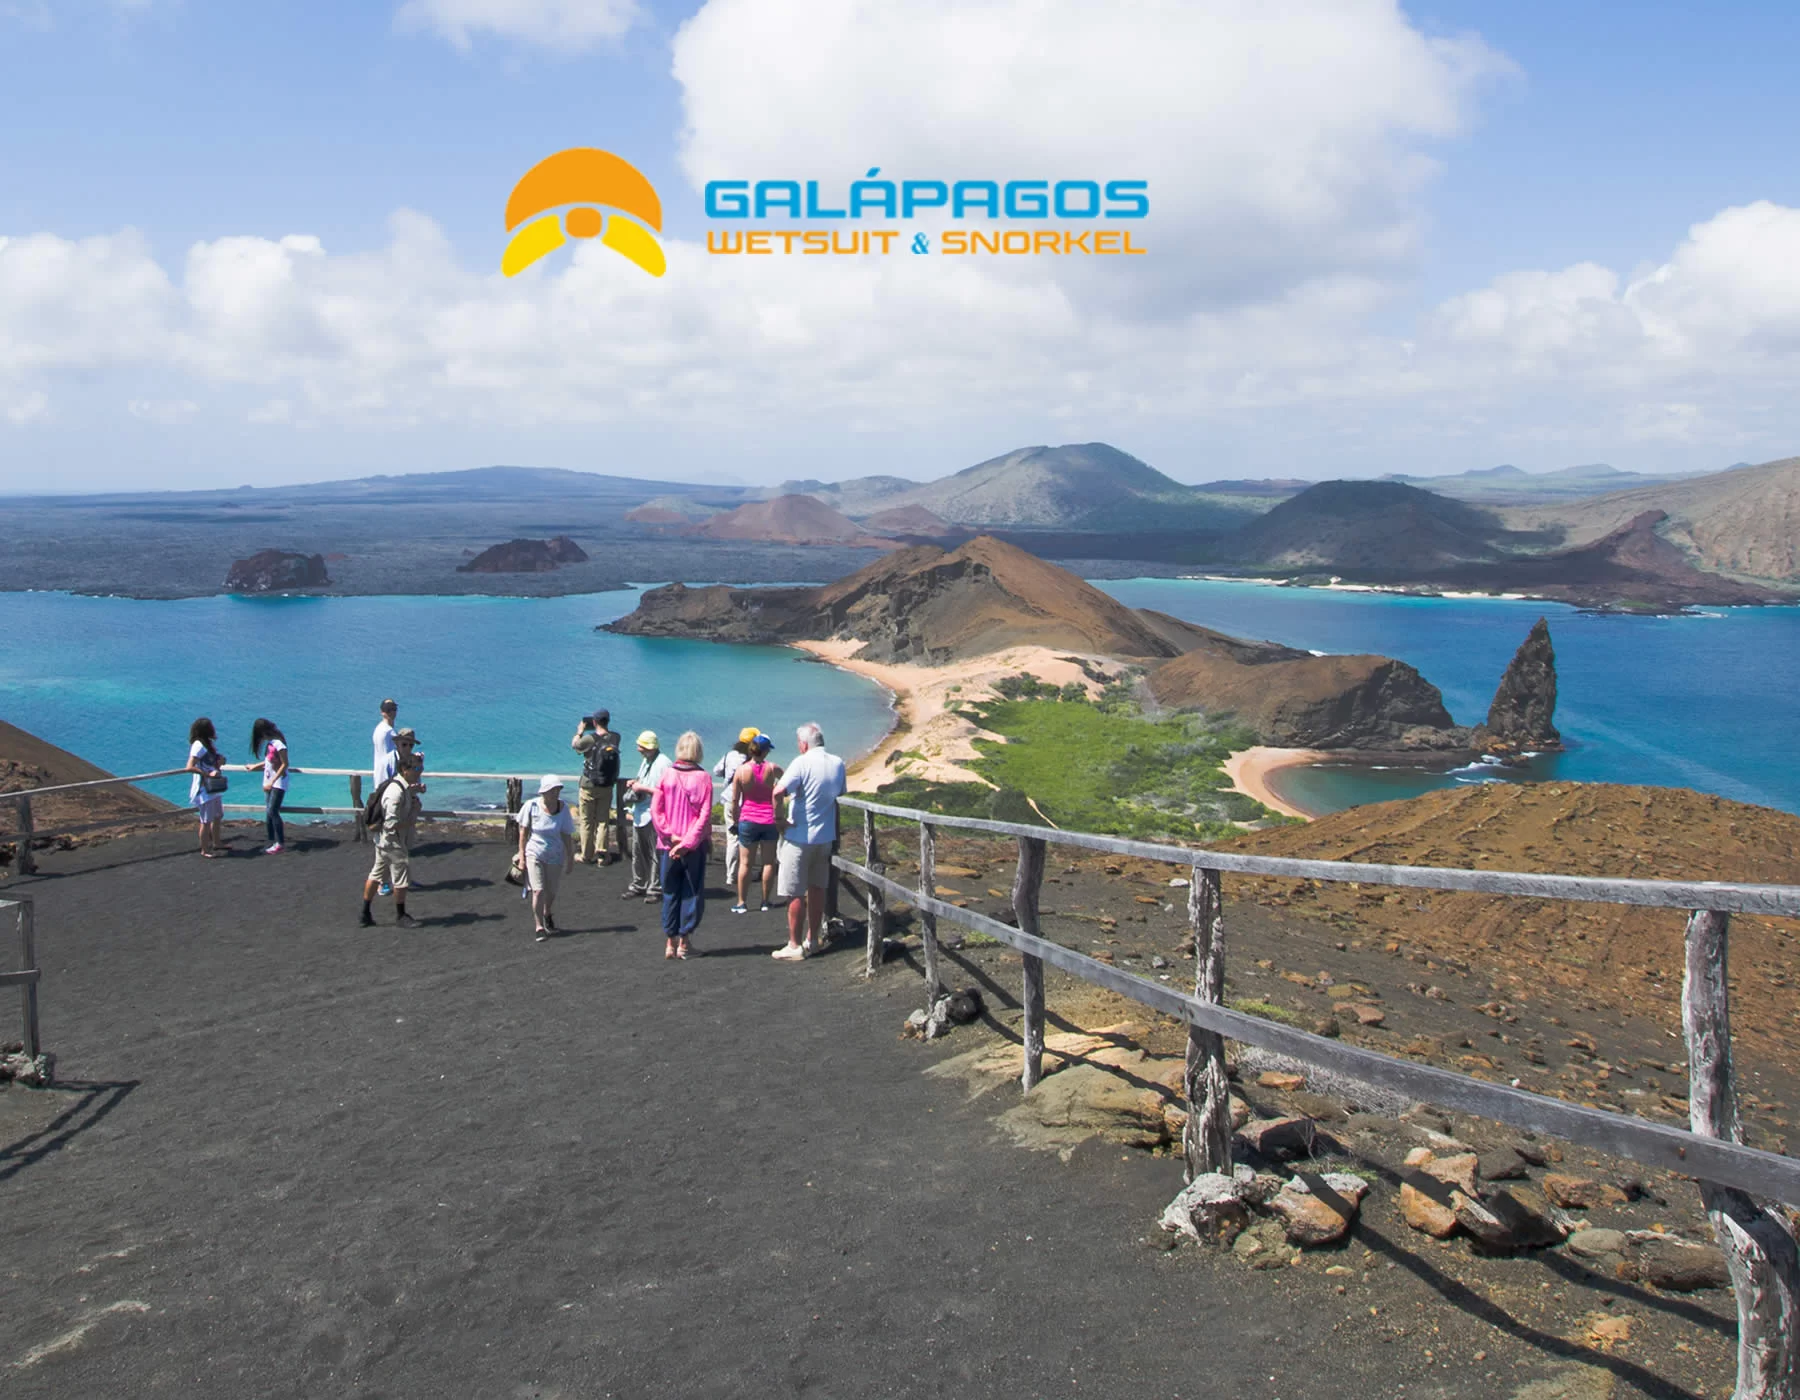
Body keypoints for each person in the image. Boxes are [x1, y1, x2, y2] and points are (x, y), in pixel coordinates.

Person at [770, 722, 847, 961]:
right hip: (824, 837)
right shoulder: (838, 763)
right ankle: (812, 940)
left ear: (803, 744)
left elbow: (777, 792)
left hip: (800, 836)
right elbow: (839, 794)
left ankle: (794, 944)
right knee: (817, 889)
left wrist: (779, 819)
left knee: (794, 892)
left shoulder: (801, 762)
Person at [650, 731, 713, 960]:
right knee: (691, 891)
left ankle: (670, 941)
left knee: (670, 890)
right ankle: (685, 943)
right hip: (693, 847)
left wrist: (671, 836)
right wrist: (688, 842)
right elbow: (704, 816)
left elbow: (656, 811)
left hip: (668, 845)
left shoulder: (667, 775)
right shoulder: (704, 778)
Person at [360, 751, 421, 929]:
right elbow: (391, 823)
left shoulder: (402, 787)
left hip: (382, 841)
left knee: (377, 874)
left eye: (421, 768)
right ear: (404, 769)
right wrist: (410, 821)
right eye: (416, 768)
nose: (419, 772)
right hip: (393, 842)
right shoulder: (396, 792)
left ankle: (365, 913)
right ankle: (400, 915)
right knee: (401, 878)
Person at [516, 774, 576, 942]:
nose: (555, 793)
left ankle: (547, 911)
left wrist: (570, 857)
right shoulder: (531, 806)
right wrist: (521, 856)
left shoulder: (563, 809)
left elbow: (566, 834)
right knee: (538, 890)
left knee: (551, 891)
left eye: (557, 790)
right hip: (534, 852)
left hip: (555, 854)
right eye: (551, 790)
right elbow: (523, 832)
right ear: (543, 792)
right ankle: (539, 926)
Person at [731, 734, 782, 915]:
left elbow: (735, 800)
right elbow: (786, 784)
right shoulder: (773, 768)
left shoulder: (742, 771)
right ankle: (765, 901)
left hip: (748, 819)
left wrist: (736, 821)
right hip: (769, 819)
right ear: (766, 751)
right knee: (768, 862)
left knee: (745, 863)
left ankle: (742, 902)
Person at [620, 731, 671, 901]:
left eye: (641, 746)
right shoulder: (646, 761)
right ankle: (639, 883)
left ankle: (655, 888)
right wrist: (635, 783)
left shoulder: (664, 764)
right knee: (638, 851)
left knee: (655, 853)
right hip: (640, 812)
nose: (638, 749)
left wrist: (642, 789)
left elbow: (665, 792)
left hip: (654, 814)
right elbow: (645, 780)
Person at [571, 709, 622, 865]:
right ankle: (602, 856)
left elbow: (575, 746)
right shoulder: (615, 737)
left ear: (594, 722)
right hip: (606, 785)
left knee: (586, 821)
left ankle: (586, 855)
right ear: (608, 721)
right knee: (602, 821)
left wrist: (579, 732)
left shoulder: (589, 739)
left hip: (588, 784)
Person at [714, 726, 758, 893]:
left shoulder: (729, 756)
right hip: (746, 802)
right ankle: (745, 872)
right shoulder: (753, 759)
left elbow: (716, 770)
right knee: (748, 839)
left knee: (732, 838)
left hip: (728, 799)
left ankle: (731, 875)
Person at [243, 718, 289, 854]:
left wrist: (272, 782)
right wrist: (254, 766)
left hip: (278, 783)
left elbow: (285, 764)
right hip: (270, 782)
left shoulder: (279, 744)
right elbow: (268, 762)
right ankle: (272, 840)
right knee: (269, 812)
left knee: (272, 811)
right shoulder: (271, 744)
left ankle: (280, 842)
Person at [185, 716, 229, 858]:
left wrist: (219, 763)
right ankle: (205, 849)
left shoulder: (207, 744)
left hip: (213, 788)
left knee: (217, 816)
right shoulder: (198, 745)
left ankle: (217, 842)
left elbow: (211, 763)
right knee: (205, 820)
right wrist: (207, 774)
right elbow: (190, 767)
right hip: (204, 789)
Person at [372, 698, 399, 787]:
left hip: (379, 776)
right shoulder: (389, 732)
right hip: (388, 779)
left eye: (393, 709)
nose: (392, 712)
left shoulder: (378, 729)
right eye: (389, 710)